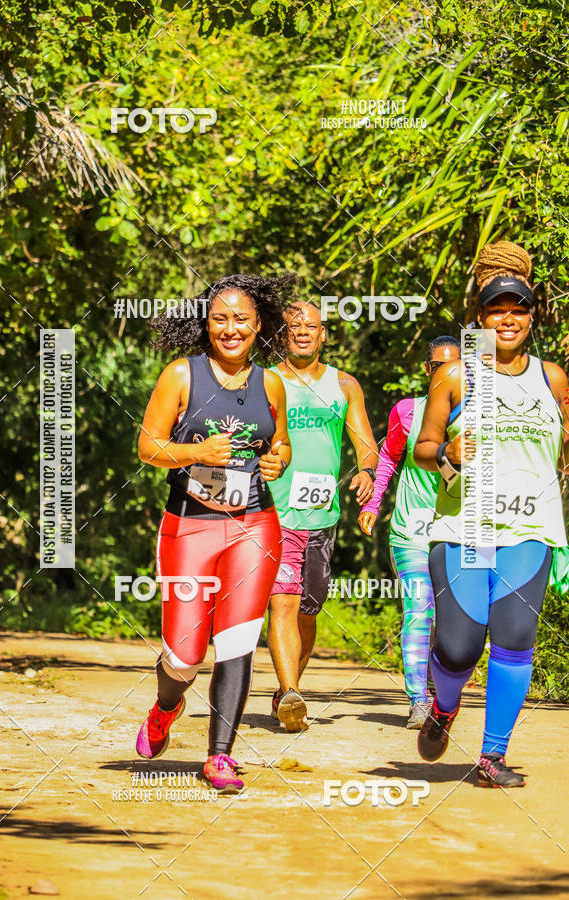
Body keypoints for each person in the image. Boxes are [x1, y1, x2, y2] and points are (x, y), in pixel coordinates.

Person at [414, 241, 569, 787]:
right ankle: (444, 706)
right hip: (467, 524)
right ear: (480, 317)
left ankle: (491, 756)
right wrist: (448, 456)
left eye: (519, 309)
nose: (508, 318)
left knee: (515, 636)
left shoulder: (552, 380)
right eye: (496, 309)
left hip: (531, 529)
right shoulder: (458, 375)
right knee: (458, 647)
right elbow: (424, 445)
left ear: (532, 317)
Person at [136, 274, 293, 793]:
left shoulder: (270, 383)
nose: (231, 329)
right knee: (184, 655)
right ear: (207, 324)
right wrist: (196, 454)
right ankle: (167, 705)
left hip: (253, 525)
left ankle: (219, 755)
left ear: (258, 325)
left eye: (241, 319)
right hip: (189, 528)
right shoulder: (182, 375)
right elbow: (147, 447)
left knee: (238, 640)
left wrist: (276, 461)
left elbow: (282, 444)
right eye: (220, 319)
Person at [267, 300, 378, 731]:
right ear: (282, 335)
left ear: (323, 333)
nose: (302, 332)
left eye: (310, 326)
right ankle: (293, 692)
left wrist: (367, 471)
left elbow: (365, 442)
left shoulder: (344, 385)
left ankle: (286, 688)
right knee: (283, 602)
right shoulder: (266, 382)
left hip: (321, 515)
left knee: (307, 611)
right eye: (294, 326)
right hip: (274, 513)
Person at [358, 336, 461, 729]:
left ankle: (442, 693)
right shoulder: (408, 411)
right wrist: (372, 504)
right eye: (438, 366)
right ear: (427, 370)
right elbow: (388, 458)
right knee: (419, 611)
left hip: (461, 535)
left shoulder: (480, 414)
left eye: (455, 366)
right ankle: (419, 699)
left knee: (457, 623)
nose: (446, 374)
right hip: (412, 532)